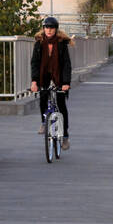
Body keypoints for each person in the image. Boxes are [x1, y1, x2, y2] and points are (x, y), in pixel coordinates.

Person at [30, 16, 72, 149]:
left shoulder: (61, 44)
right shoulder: (39, 43)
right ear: (43, 29)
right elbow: (35, 63)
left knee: (61, 105)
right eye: (46, 27)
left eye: (51, 28)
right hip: (44, 76)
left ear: (56, 29)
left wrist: (66, 83)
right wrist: (34, 81)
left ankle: (65, 136)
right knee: (43, 98)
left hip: (58, 76)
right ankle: (44, 121)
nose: (49, 30)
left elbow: (66, 64)